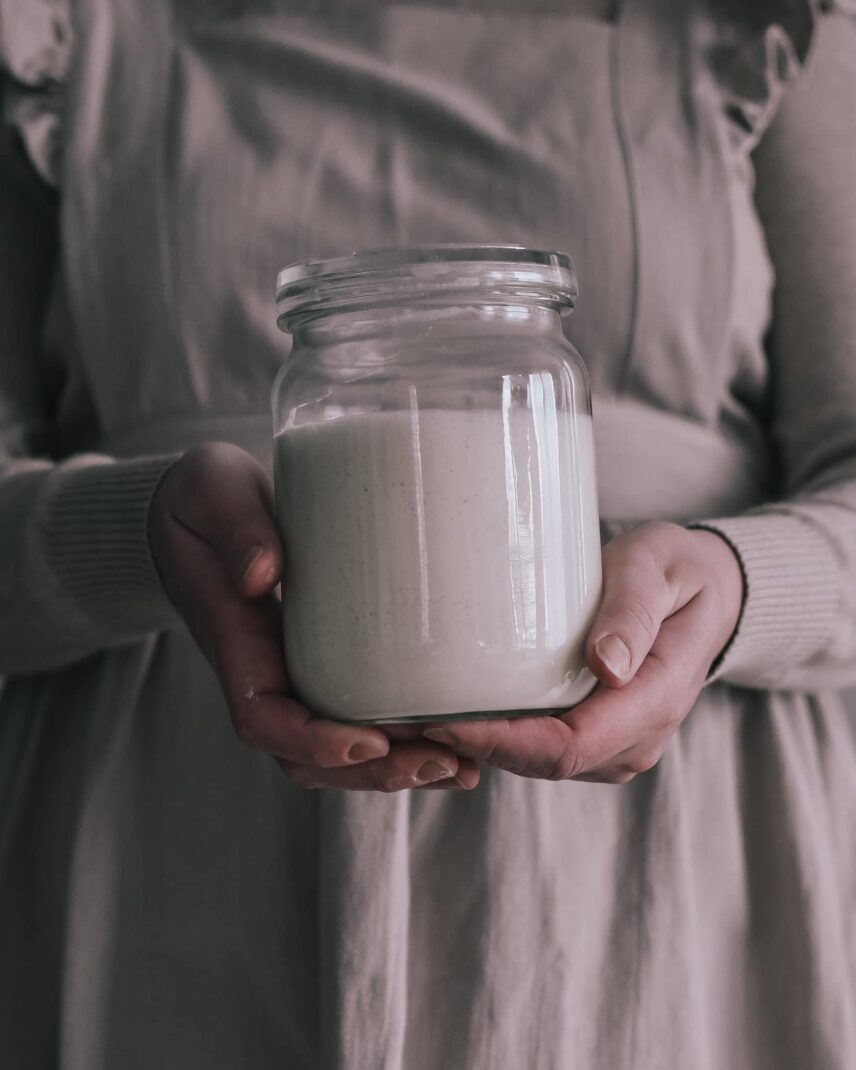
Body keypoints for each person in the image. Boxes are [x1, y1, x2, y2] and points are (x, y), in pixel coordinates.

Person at [1, 0, 855, 1066]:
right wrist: (127, 534)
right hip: (170, 856)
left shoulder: (762, 22)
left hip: (670, 876)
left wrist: (737, 584)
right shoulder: (60, 33)